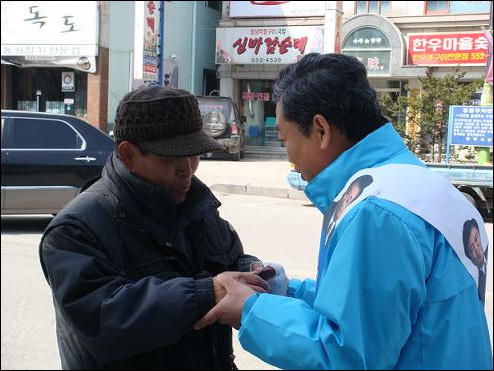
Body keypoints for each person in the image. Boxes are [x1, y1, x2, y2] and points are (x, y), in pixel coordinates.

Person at [195, 53, 493, 369]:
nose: (290, 159)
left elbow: (349, 355)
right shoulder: (424, 186)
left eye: (285, 140)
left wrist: (251, 311)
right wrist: (286, 291)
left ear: (321, 130)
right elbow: (375, 310)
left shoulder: (376, 213)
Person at [39, 85, 270, 370]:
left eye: (194, 155)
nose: (187, 170)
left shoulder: (197, 207)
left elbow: (228, 263)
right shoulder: (76, 230)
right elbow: (104, 320)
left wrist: (252, 271)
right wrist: (206, 294)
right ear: (128, 155)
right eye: (170, 159)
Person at [324, 174, 373, 245]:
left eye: (351, 198)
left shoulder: (346, 227)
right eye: (348, 193)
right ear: (343, 192)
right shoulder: (327, 208)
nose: (347, 200)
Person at [463, 218, 488, 303]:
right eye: (472, 248)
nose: (476, 247)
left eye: (476, 239)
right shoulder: (469, 277)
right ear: (468, 256)